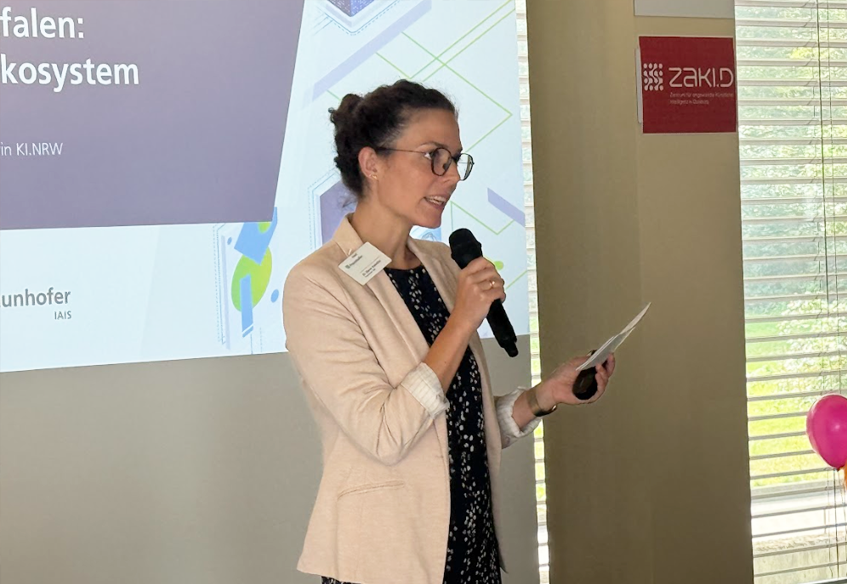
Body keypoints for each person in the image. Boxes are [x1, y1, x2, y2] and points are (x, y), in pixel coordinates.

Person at [282, 79, 615, 584]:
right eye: (434, 157)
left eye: (456, 159)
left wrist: (543, 396)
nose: (453, 175)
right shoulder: (319, 284)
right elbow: (387, 435)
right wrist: (461, 321)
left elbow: (455, 425)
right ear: (372, 164)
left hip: (473, 553)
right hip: (387, 564)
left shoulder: (441, 263)